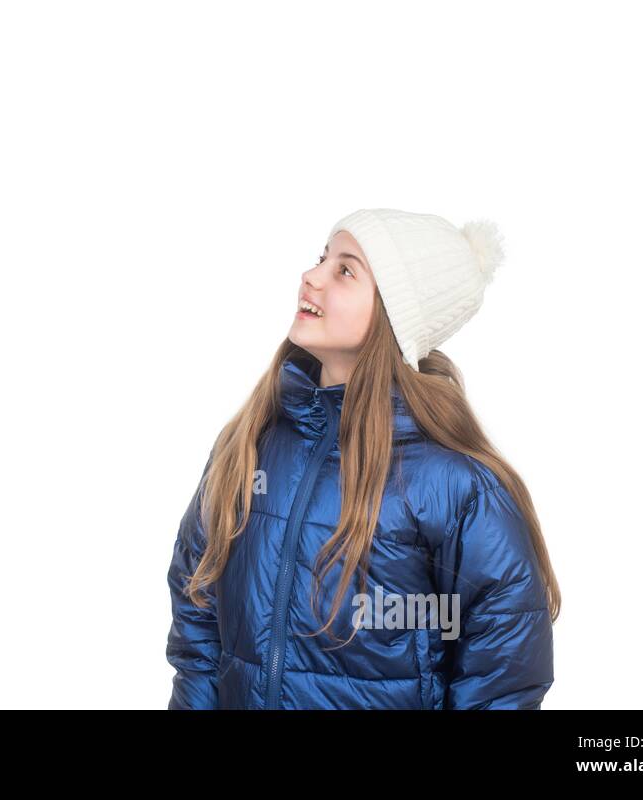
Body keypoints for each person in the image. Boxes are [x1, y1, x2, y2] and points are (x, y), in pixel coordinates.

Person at [166, 208, 560, 710]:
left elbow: (502, 675)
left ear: (396, 313)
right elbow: (196, 612)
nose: (312, 276)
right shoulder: (248, 446)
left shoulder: (455, 484)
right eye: (321, 258)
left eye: (345, 270)